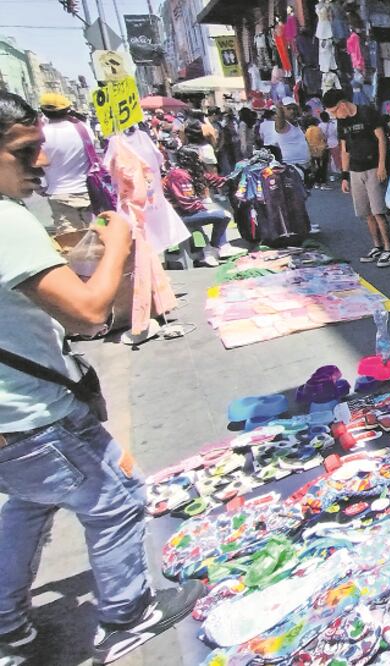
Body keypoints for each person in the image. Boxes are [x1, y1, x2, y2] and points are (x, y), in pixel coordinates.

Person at [0, 91, 204, 665]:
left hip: (19, 418)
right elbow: (90, 312)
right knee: (114, 502)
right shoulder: (6, 221)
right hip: (31, 414)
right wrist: (117, 243)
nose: (41, 162)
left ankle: (7, 621)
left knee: (28, 502)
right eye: (25, 151)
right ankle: (128, 615)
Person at [323, 88, 390, 266]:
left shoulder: (366, 112)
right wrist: (344, 176)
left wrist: (382, 166)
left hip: (372, 168)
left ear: (342, 105)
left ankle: (388, 249)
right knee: (366, 212)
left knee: (378, 211)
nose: (334, 116)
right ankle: (377, 246)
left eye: (334, 111)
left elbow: (381, 139)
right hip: (355, 170)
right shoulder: (342, 123)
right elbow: (344, 149)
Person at [163, 147, 239, 266]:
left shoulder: (192, 171)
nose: (200, 159)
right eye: (197, 157)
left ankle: (222, 246)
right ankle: (210, 251)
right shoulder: (178, 175)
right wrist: (205, 211)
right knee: (223, 215)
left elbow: (214, 180)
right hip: (179, 216)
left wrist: (233, 177)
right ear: (189, 159)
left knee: (219, 216)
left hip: (188, 213)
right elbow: (187, 203)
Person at [38, 92, 95, 234]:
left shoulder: (41, 134)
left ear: (43, 111)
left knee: (70, 242)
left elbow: (38, 163)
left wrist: (40, 187)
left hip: (59, 195)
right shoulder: (84, 129)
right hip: (89, 192)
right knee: (97, 235)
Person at [260, 97, 311, 170]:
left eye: (294, 109)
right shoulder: (282, 125)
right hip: (292, 166)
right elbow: (280, 118)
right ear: (283, 109)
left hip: (305, 164)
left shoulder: (297, 124)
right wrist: (279, 108)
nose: (292, 111)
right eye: (289, 108)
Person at [303, 115, 329, 189]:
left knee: (315, 167)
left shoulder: (307, 131)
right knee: (323, 167)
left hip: (311, 150)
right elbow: (323, 138)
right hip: (321, 150)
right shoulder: (318, 129)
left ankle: (316, 183)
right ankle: (323, 183)